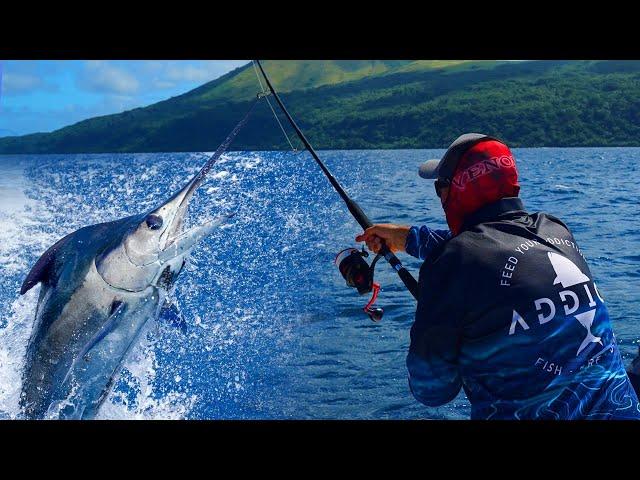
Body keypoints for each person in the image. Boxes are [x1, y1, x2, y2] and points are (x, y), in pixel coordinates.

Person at [356, 133, 640, 420]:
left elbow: (431, 390)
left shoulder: (452, 264)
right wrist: (408, 238)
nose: (440, 196)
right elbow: (493, 245)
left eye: (440, 187)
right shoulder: (555, 230)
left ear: (457, 190)